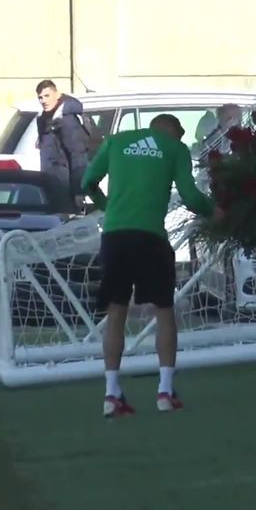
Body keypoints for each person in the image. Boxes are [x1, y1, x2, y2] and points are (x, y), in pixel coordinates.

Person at [81, 113, 223, 417]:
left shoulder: (116, 142)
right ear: (174, 131)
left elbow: (87, 182)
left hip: (115, 236)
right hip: (150, 238)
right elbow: (189, 195)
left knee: (116, 311)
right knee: (164, 312)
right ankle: (164, 390)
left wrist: (110, 207)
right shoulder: (175, 149)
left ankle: (110, 394)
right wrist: (214, 211)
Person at [34, 79, 91, 203]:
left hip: (64, 186)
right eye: (40, 97)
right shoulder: (45, 118)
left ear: (57, 94)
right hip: (51, 183)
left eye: (47, 96)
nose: (43, 101)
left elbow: (78, 156)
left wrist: (78, 192)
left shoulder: (66, 119)